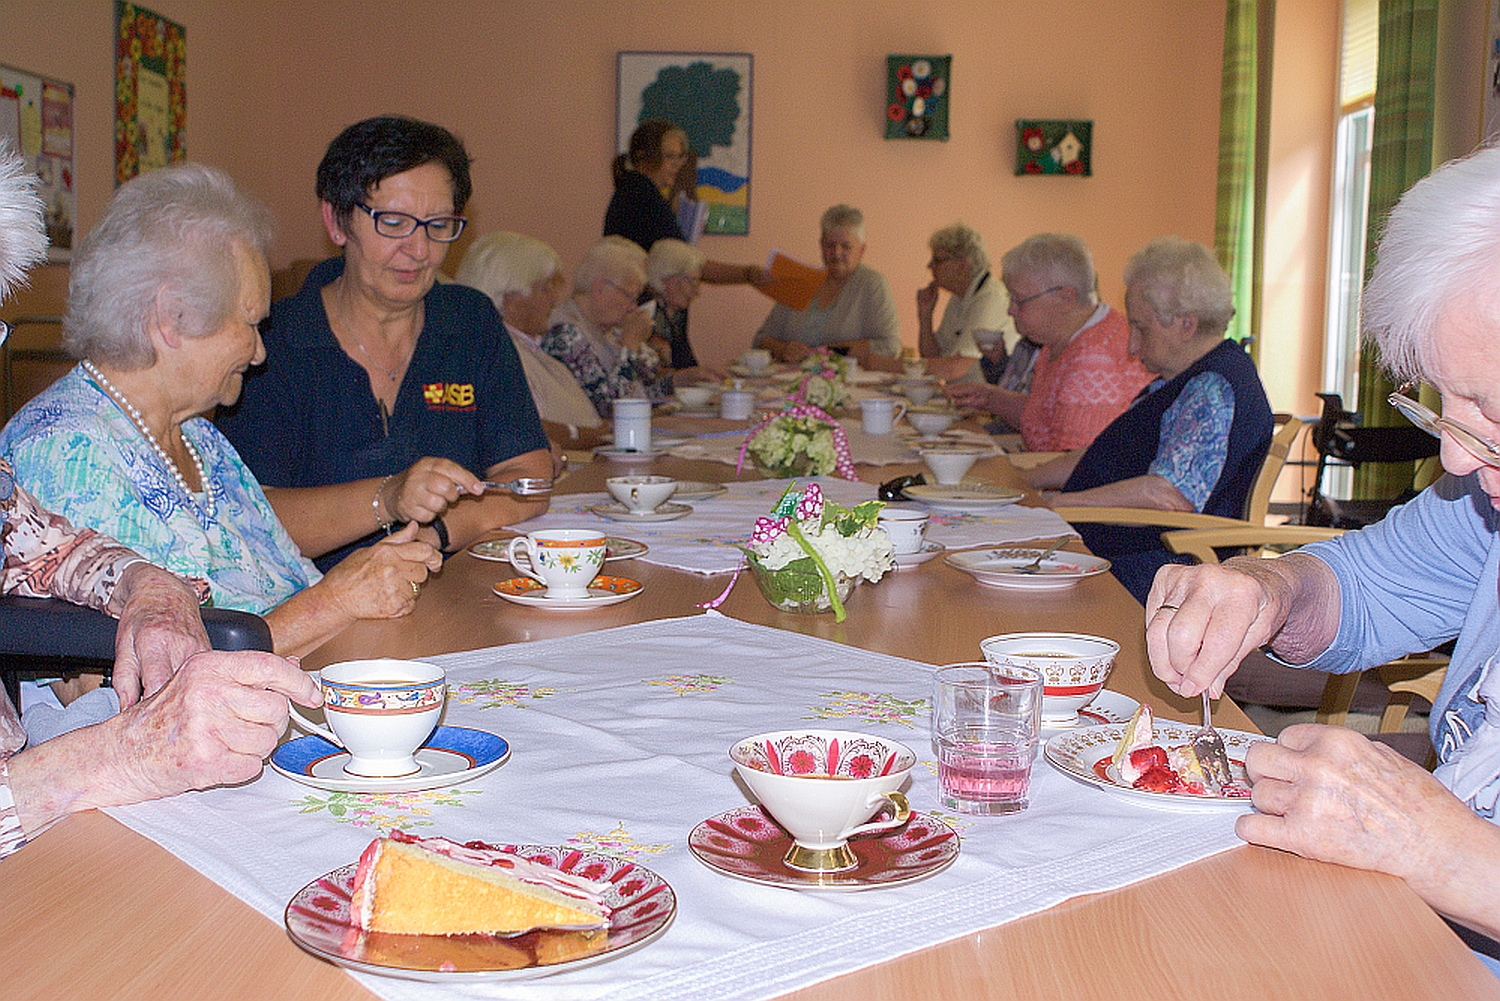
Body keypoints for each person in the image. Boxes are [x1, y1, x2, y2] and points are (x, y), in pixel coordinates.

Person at [1144, 147, 1500, 972]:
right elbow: (1367, 581)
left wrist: (1433, 846)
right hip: (1400, 936)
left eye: (1485, 403)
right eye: (1443, 399)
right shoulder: (1484, 503)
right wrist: (1266, 590)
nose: (1452, 456)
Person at [0, 141, 321, 860]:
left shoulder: (201, 437)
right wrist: (115, 756)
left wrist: (149, 586)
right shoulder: (66, 441)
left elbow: (44, 547)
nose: (261, 350)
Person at [0, 162, 442, 663]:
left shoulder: (200, 440)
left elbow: (292, 582)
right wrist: (338, 599)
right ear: (171, 319)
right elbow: (135, 676)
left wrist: (368, 578)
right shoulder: (62, 451)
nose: (259, 352)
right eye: (251, 323)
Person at [217, 117, 551, 572]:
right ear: (336, 221)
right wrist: (388, 498)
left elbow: (529, 476)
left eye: (438, 225)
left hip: (453, 592)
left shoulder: (470, 322)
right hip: (319, 608)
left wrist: (436, 535)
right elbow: (247, 521)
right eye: (393, 223)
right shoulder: (274, 341)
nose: (418, 249)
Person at [1027, 238, 1273, 602]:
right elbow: (1106, 455)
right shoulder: (1185, 379)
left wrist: (1061, 505)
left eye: (1141, 328)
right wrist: (1022, 483)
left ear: (1186, 325)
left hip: (1153, 569)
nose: (1130, 346)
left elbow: (1166, 497)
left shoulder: (1211, 388)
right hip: (1112, 548)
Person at [947, 233, 1150, 451]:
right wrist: (989, 398)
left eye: (1019, 300)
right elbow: (1047, 418)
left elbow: (1074, 468)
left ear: (1065, 298)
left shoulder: (1094, 360)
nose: (1010, 310)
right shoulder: (1063, 337)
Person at [453, 231, 607, 449]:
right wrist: (597, 436)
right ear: (510, 297)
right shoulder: (490, 352)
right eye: (544, 288)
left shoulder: (529, 347)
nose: (553, 299)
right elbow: (522, 429)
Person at [604, 119, 765, 287]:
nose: (677, 165)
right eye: (669, 156)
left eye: (679, 156)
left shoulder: (631, 190)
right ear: (644, 157)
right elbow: (688, 264)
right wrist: (747, 274)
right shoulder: (644, 196)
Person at [541, 236, 681, 417]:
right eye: (629, 296)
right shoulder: (565, 333)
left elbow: (641, 391)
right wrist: (630, 346)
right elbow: (608, 407)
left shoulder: (607, 330)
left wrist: (679, 381)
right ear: (599, 288)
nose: (633, 307)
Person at [753, 204, 902, 365]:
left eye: (846, 246)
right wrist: (783, 350)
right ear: (821, 246)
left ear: (862, 250)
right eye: (830, 245)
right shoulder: (802, 279)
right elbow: (761, 339)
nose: (837, 253)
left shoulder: (873, 285)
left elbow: (890, 346)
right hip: (792, 383)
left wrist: (830, 352)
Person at [916, 223, 1015, 383]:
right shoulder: (959, 296)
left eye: (938, 260)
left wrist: (889, 365)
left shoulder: (991, 296)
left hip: (985, 400)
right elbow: (932, 357)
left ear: (963, 266)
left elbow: (955, 368)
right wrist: (925, 315)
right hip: (963, 395)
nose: (930, 266)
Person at [645, 237, 707, 370]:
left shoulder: (678, 311)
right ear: (667, 280)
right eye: (693, 282)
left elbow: (686, 363)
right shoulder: (644, 308)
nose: (696, 290)